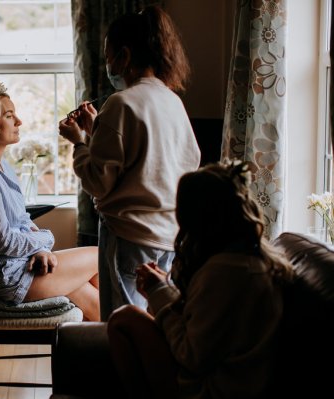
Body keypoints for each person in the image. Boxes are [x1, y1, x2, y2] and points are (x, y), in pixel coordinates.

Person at [107, 160, 295, 399]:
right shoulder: (249, 260)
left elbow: (191, 355)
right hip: (227, 379)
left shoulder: (227, 273)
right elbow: (205, 325)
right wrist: (163, 289)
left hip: (213, 390)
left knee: (125, 318)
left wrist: (159, 294)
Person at [58, 6, 201, 319]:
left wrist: (79, 142)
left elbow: (99, 181)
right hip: (169, 234)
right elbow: (147, 157)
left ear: (124, 56)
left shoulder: (121, 103)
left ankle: (123, 370)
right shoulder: (172, 101)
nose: (108, 64)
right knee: (158, 319)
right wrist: (97, 129)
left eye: (109, 55)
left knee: (123, 323)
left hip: (130, 235)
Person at [0, 80, 100, 321]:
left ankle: (110, 347)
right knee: (98, 256)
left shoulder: (2, 169)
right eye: (10, 116)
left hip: (19, 263)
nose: (19, 121)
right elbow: (3, 242)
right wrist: (46, 239)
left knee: (87, 291)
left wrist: (40, 250)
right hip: (6, 275)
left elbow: (22, 220)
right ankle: (123, 345)